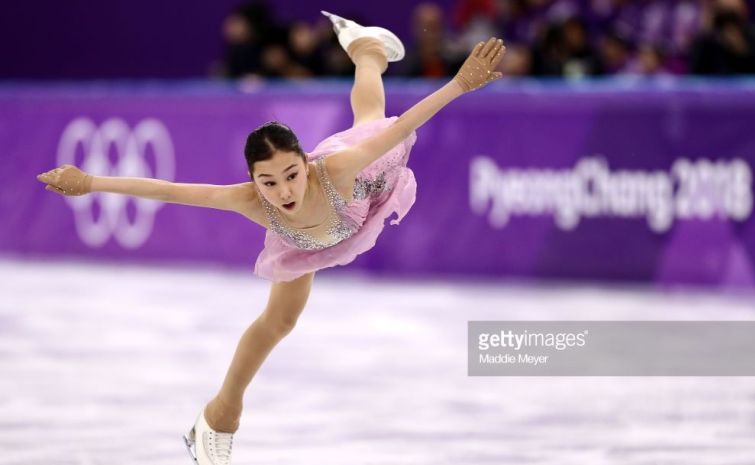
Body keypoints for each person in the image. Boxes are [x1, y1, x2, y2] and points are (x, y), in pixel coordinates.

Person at [36, 11, 506, 465]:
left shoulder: (335, 170)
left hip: (362, 188)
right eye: (269, 182)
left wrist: (457, 85)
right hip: (306, 243)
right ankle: (220, 418)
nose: (283, 192)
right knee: (278, 324)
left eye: (290, 175)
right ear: (252, 180)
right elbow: (169, 190)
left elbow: (404, 126)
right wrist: (91, 182)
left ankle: (366, 49)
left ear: (305, 163)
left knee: (372, 122)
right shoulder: (249, 200)